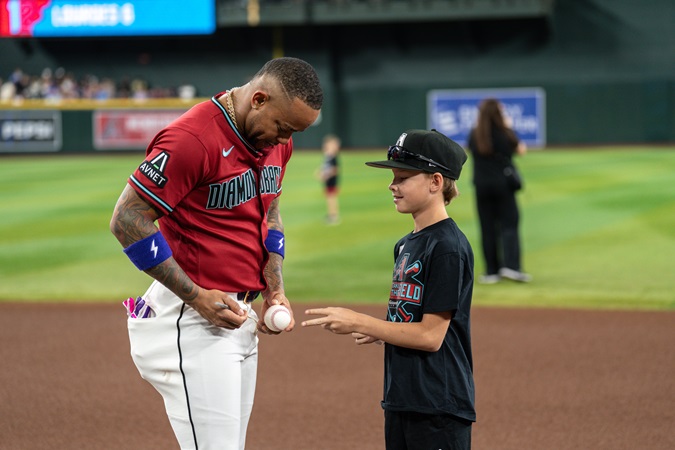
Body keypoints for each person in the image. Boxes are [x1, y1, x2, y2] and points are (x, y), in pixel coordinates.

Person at [109, 57, 323, 450]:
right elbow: (127, 220)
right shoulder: (192, 139)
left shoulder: (276, 141)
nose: (284, 140)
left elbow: (270, 211)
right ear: (258, 99)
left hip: (234, 318)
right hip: (191, 320)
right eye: (283, 127)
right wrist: (196, 297)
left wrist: (274, 287)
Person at [303, 129, 476, 450]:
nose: (392, 186)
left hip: (438, 403)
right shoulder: (405, 245)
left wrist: (360, 322)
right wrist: (383, 330)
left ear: (436, 182)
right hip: (402, 397)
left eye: (403, 177)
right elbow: (410, 318)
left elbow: (430, 336)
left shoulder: (447, 247)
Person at [467, 98, 531, 284]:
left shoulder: (475, 134)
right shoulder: (504, 132)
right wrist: (508, 127)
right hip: (503, 186)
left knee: (487, 228)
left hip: (481, 186)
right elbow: (520, 150)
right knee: (509, 225)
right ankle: (511, 266)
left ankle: (491, 271)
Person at [317, 133, 341, 224]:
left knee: (332, 199)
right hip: (328, 181)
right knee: (329, 198)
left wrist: (326, 175)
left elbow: (335, 170)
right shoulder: (328, 156)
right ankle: (331, 214)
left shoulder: (333, 157)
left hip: (332, 181)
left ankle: (334, 215)